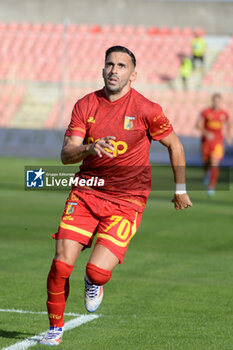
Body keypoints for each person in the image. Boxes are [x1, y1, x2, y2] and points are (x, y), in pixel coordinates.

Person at [40, 45, 192, 346]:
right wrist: (88, 148)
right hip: (86, 192)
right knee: (60, 265)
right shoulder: (85, 105)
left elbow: (175, 145)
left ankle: (93, 283)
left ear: (133, 75)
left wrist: (180, 190)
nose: (114, 70)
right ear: (102, 69)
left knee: (96, 272)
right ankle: (55, 328)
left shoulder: (148, 109)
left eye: (122, 66)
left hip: (126, 200)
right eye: (110, 64)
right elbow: (66, 154)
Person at [196, 93, 231, 196]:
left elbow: (229, 123)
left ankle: (211, 186)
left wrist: (228, 136)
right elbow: (197, 125)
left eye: (218, 101)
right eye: (215, 101)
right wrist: (207, 133)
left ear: (221, 102)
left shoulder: (224, 113)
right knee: (206, 162)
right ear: (212, 101)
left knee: (214, 162)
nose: (216, 103)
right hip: (206, 141)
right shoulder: (206, 112)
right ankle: (207, 173)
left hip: (218, 141)